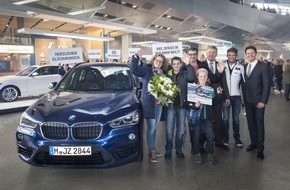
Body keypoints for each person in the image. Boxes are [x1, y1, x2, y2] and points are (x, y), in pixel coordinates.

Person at [130, 50, 168, 163]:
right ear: (153, 60)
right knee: (151, 128)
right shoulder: (147, 70)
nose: (159, 63)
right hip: (149, 104)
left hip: (159, 104)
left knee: (155, 128)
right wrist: (136, 57)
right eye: (157, 61)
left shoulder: (163, 72)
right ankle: (151, 150)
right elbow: (133, 69)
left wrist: (163, 99)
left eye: (161, 62)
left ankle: (153, 147)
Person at [241, 45, 270, 160]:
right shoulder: (245, 67)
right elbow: (244, 84)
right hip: (248, 101)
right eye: (248, 53)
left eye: (252, 53)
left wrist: (263, 101)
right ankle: (253, 143)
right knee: (250, 123)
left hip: (259, 102)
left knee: (259, 124)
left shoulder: (263, 66)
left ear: (256, 53)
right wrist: (244, 98)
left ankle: (260, 148)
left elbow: (267, 85)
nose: (250, 55)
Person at [164, 56, 195, 159]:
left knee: (181, 130)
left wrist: (188, 64)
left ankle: (178, 149)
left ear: (181, 64)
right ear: (171, 65)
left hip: (181, 106)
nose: (176, 66)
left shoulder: (185, 73)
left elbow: (191, 78)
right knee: (169, 129)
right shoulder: (168, 75)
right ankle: (168, 149)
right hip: (170, 106)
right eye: (174, 64)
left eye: (178, 63)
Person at [199, 46, 229, 151]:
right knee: (203, 121)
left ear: (216, 54)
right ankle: (202, 144)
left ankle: (219, 142)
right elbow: (208, 79)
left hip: (218, 97)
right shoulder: (201, 64)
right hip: (204, 97)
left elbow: (223, 81)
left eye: (213, 52)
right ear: (206, 53)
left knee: (218, 120)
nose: (211, 54)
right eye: (209, 52)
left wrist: (227, 96)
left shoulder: (220, 65)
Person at [188, 68, 220, 164]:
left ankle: (210, 153)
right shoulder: (193, 88)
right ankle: (197, 153)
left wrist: (216, 95)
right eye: (201, 76)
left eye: (205, 76)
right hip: (197, 117)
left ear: (207, 77)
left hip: (208, 117)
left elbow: (214, 102)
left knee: (210, 136)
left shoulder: (210, 89)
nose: (203, 78)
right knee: (196, 136)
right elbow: (189, 103)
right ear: (197, 77)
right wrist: (195, 105)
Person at [222, 47, 244, 149]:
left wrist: (243, 98)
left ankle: (237, 138)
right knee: (225, 119)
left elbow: (243, 83)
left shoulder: (241, 67)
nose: (231, 57)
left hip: (236, 97)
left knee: (236, 119)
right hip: (225, 97)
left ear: (236, 56)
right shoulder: (222, 65)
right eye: (229, 55)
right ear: (227, 56)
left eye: (233, 55)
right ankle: (225, 138)